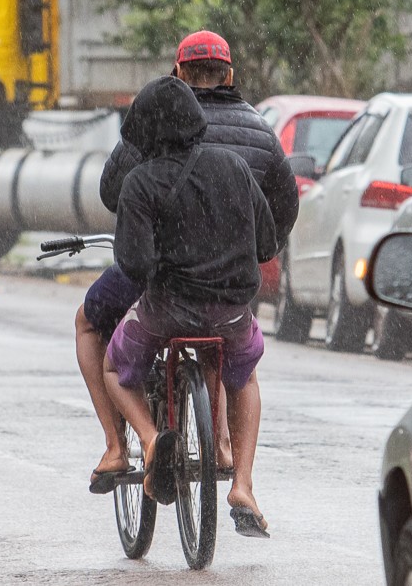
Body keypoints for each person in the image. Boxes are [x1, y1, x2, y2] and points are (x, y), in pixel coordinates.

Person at [74, 31, 291, 530]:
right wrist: (233, 244)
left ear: (178, 72)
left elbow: (131, 255)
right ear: (229, 75)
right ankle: (241, 480)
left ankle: (127, 445)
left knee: (99, 334)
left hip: (170, 298)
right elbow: (272, 232)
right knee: (244, 371)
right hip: (233, 302)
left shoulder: (141, 168)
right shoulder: (251, 145)